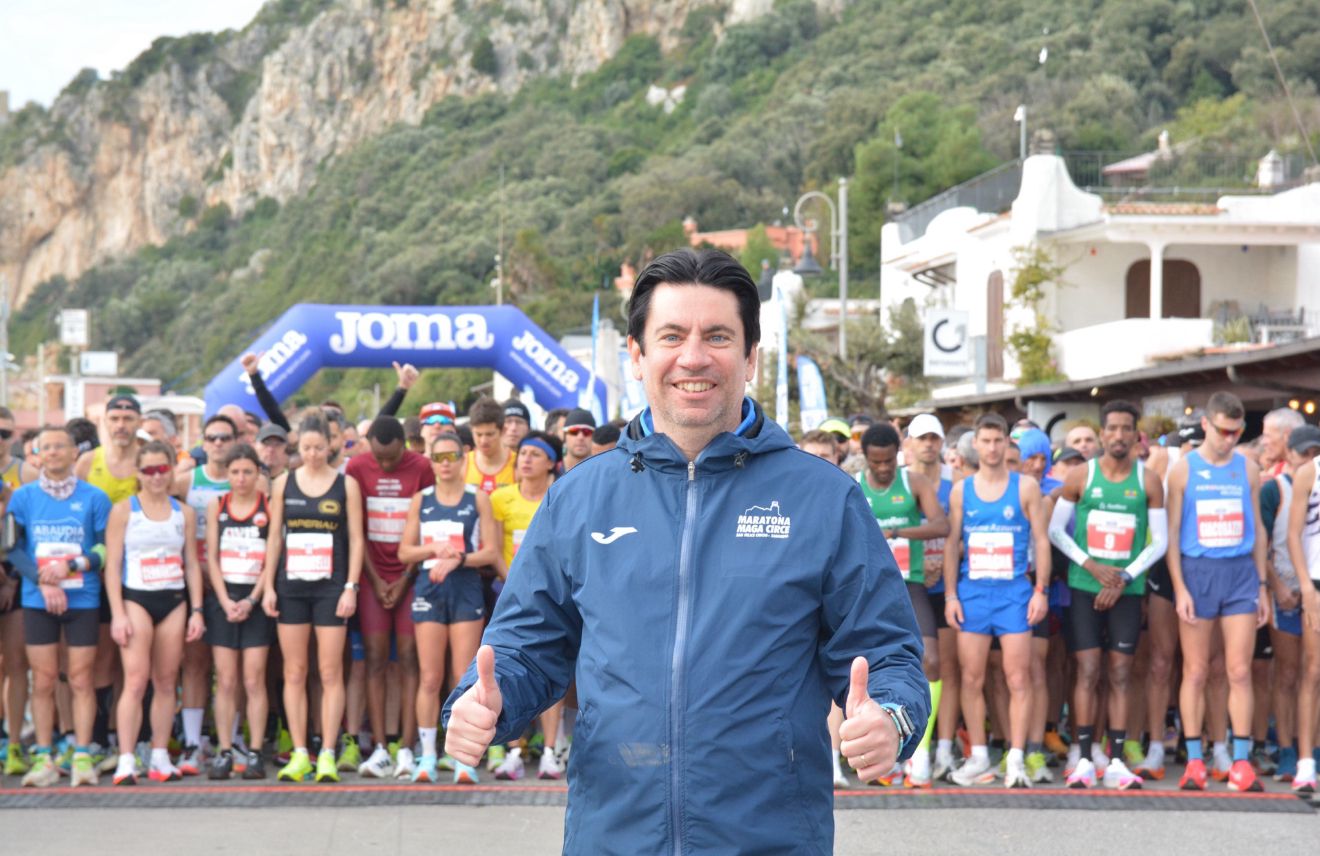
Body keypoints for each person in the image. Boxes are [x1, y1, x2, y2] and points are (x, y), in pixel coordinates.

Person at [443, 248, 928, 852]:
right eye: (672, 336)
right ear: (637, 355)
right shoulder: (578, 499)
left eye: (717, 336)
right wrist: (485, 702)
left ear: (751, 357)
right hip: (613, 837)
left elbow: (887, 653)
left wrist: (891, 715)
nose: (693, 357)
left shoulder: (824, 499)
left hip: (769, 839)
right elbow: (524, 647)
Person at [1048, 400, 1167, 789]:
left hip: (1126, 591)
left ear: (1136, 435)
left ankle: (1115, 759)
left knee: (1119, 672)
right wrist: (1091, 566)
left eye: (1126, 429)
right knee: (1087, 670)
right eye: (1112, 428)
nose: (1118, 435)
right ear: (1102, 433)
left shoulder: (1149, 481)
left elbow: (1160, 541)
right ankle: (1083, 758)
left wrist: (1123, 578)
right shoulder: (1081, 475)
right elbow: (1055, 531)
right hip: (1085, 586)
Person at [1165, 391, 1269, 792]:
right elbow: (1172, 534)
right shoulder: (1183, 470)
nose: (1229, 439)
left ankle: (1240, 762)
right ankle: (1195, 761)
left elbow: (1258, 530)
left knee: (1239, 670)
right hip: (1198, 572)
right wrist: (1179, 588)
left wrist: (1262, 586)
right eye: (1223, 431)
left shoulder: (1248, 468)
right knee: (1196, 670)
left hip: (1239, 573)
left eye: (1236, 432)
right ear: (1206, 424)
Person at [944, 412, 1050, 789]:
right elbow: (952, 544)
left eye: (997, 441)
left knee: (1018, 676)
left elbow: (1041, 541)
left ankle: (1016, 757)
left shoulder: (1026, 487)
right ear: (975, 444)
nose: (991, 448)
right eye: (985, 441)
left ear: (1007, 444)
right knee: (971, 677)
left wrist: (1041, 591)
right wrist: (951, 595)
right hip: (973, 592)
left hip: (1014, 593)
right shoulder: (961, 491)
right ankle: (979, 756)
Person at [262, 413, 365, 783]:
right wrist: (269, 586)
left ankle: (327, 753)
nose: (313, 454)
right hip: (291, 587)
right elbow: (275, 538)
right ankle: (300, 752)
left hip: (331, 588)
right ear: (298, 447)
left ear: (330, 446)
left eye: (319, 448)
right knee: (294, 671)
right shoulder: (283, 483)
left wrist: (351, 586)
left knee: (330, 671)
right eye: (306, 448)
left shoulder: (345, 484)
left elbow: (356, 540)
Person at [9, 425, 113, 788]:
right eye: (46, 447)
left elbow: (104, 549)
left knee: (81, 678)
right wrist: (42, 580)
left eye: (60, 446)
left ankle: (82, 754)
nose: (53, 452)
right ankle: (44, 757)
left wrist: (71, 566)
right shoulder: (23, 498)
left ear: (74, 453)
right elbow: (11, 548)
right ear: (37, 455)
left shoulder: (95, 497)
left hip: (82, 597)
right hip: (38, 599)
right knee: (44, 679)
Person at [397, 431, 498, 784]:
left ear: (462, 458)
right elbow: (405, 552)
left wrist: (460, 558)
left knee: (463, 677)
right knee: (429, 677)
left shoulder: (477, 498)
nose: (444, 464)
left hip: (465, 588)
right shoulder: (422, 499)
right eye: (437, 457)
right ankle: (427, 754)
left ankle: (463, 758)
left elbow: (491, 552)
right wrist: (433, 549)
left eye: (451, 456)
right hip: (431, 589)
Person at [105, 440, 206, 785]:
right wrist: (118, 613)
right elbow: (112, 565)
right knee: (135, 680)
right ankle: (126, 759)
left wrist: (197, 610)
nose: (157, 476)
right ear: (138, 473)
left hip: (173, 598)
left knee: (166, 681)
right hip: (136, 598)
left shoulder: (184, 513)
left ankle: (160, 755)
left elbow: (191, 563)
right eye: (148, 470)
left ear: (171, 469)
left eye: (162, 469)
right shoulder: (124, 510)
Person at [854, 421, 948, 787]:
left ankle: (919, 751)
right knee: (865, 667)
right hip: (868, 590)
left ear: (899, 454)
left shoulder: (914, 482)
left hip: (909, 584)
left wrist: (893, 532)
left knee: (931, 661)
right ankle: (880, 748)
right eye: (875, 462)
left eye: (888, 461)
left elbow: (941, 526)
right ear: (865, 458)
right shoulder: (854, 485)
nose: (882, 468)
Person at [346, 416, 434, 780]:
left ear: (404, 446)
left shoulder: (422, 467)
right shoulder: (355, 467)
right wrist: (375, 579)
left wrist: (403, 578)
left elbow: (426, 525)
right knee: (375, 658)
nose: (384, 465)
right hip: (373, 577)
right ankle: (381, 747)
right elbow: (357, 532)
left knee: (411, 658)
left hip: (410, 576)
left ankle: (407, 747)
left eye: (392, 458)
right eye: (379, 458)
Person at [485, 430, 565, 781]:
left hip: (551, 598)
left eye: (536, 454)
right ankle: (514, 751)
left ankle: (549, 752)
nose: (526, 460)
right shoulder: (500, 498)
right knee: (507, 671)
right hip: (509, 596)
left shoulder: (561, 494)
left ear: (551, 463)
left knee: (552, 673)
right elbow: (492, 549)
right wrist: (515, 585)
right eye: (523, 454)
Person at [205, 444, 277, 780]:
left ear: (257, 473)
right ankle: (224, 750)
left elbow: (271, 558)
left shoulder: (268, 505)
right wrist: (224, 601)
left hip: (255, 601)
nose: (241, 478)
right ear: (227, 475)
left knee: (253, 679)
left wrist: (252, 599)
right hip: (224, 599)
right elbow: (211, 558)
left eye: (248, 471)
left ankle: (255, 751)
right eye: (235, 472)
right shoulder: (217, 505)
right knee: (226, 680)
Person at [172, 413, 238, 774]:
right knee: (195, 664)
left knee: (233, 669)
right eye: (211, 438)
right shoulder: (187, 481)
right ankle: (193, 743)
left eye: (224, 438)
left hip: (236, 583)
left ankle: (233, 739)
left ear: (235, 441)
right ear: (203, 441)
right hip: (196, 583)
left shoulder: (247, 478)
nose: (218, 444)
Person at [1285, 425, 1320, 793]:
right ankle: (1306, 761)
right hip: (1317, 581)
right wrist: (1306, 587)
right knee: (1313, 670)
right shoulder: (1310, 472)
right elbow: (1293, 534)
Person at [465, 397, 516, 495]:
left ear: (503, 431)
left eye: (490, 434)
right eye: (479, 434)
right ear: (471, 431)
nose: (483, 441)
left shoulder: (518, 465)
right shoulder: (462, 464)